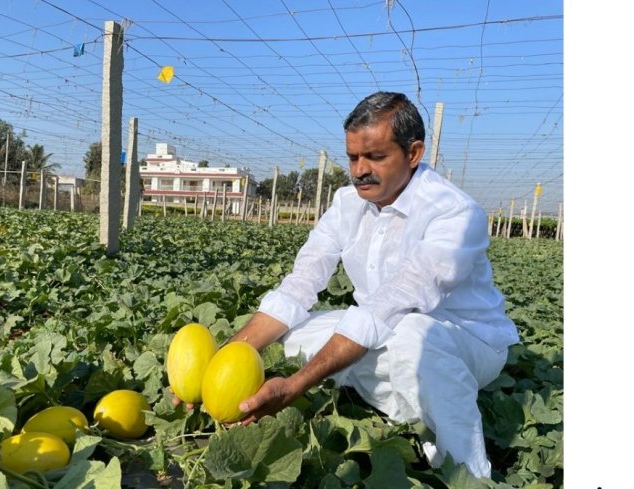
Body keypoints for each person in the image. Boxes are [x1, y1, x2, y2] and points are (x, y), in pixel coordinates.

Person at [174, 91, 519, 478]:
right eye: (353, 157)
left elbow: (396, 304)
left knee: (412, 333)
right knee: (293, 339)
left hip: (467, 340)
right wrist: (220, 366)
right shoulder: (346, 204)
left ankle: (467, 471)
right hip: (381, 328)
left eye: (375, 157)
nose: (359, 170)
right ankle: (414, 405)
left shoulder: (454, 212)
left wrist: (297, 385)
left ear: (414, 153)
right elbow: (299, 286)